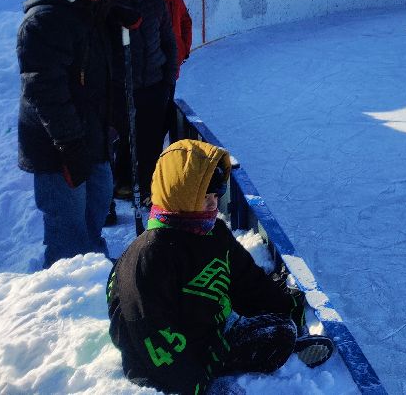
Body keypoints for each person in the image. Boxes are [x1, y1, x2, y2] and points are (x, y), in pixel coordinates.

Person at [107, 139, 332, 394]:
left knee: (281, 330)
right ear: (180, 194)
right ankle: (218, 373)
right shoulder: (150, 255)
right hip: (171, 353)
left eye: (216, 195)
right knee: (275, 337)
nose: (213, 204)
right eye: (203, 197)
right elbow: (148, 331)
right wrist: (198, 384)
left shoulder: (214, 233)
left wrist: (285, 308)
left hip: (213, 335)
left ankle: (284, 348)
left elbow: (246, 280)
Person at [17, 0, 137, 267]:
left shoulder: (90, 11)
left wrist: (115, 121)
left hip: (93, 136)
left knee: (96, 209)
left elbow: (100, 78)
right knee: (67, 226)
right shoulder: (45, 21)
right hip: (59, 146)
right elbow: (45, 91)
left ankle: (95, 270)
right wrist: (69, 144)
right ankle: (68, 286)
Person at [105, 0, 178, 203]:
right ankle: (122, 183)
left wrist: (168, 77)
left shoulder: (154, 2)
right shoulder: (104, 4)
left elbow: (168, 41)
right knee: (123, 138)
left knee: (150, 137)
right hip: (119, 85)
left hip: (153, 83)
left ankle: (148, 184)